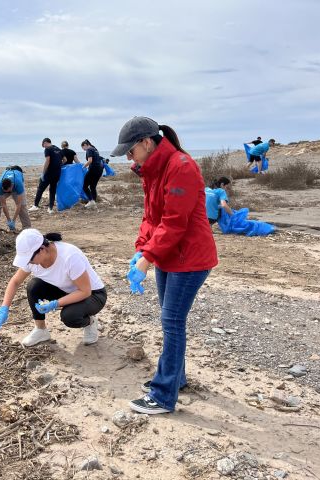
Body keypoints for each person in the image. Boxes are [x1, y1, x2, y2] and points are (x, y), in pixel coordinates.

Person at [110, 116, 217, 415]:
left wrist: (147, 258)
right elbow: (151, 218)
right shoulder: (152, 171)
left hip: (190, 258)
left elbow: (174, 223)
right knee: (170, 320)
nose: (129, 158)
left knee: (172, 322)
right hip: (168, 256)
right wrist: (141, 249)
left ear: (147, 142)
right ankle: (176, 377)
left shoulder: (180, 166)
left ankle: (163, 395)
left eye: (130, 151)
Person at [0, 229, 107, 347]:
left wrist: (55, 304)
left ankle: (90, 323)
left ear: (42, 249)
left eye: (29, 258)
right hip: (66, 290)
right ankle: (41, 330)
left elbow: (85, 291)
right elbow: (15, 281)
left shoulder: (70, 256)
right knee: (34, 286)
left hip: (93, 295)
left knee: (70, 316)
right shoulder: (33, 261)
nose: (28, 262)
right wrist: (4, 308)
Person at [0, 166, 31, 231]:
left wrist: (13, 220)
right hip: (6, 186)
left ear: (11, 186)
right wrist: (9, 220)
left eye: (9, 191)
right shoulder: (0, 187)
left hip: (17, 184)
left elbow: (19, 204)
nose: (8, 193)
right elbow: (4, 204)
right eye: (5, 191)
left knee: (22, 206)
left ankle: (27, 227)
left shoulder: (19, 184)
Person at [29, 138, 62, 214]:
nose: (44, 147)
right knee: (52, 190)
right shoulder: (59, 149)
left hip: (49, 173)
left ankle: (35, 206)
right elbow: (65, 159)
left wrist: (43, 173)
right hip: (57, 173)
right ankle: (50, 208)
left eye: (43, 145)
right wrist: (58, 166)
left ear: (45, 142)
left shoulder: (48, 149)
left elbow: (47, 160)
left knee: (40, 189)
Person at [80, 139, 104, 209]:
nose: (83, 150)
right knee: (93, 187)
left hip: (93, 170)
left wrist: (83, 167)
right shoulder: (94, 149)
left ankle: (91, 201)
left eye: (83, 148)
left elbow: (90, 161)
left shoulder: (89, 149)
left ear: (85, 145)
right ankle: (94, 204)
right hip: (99, 170)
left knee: (84, 186)